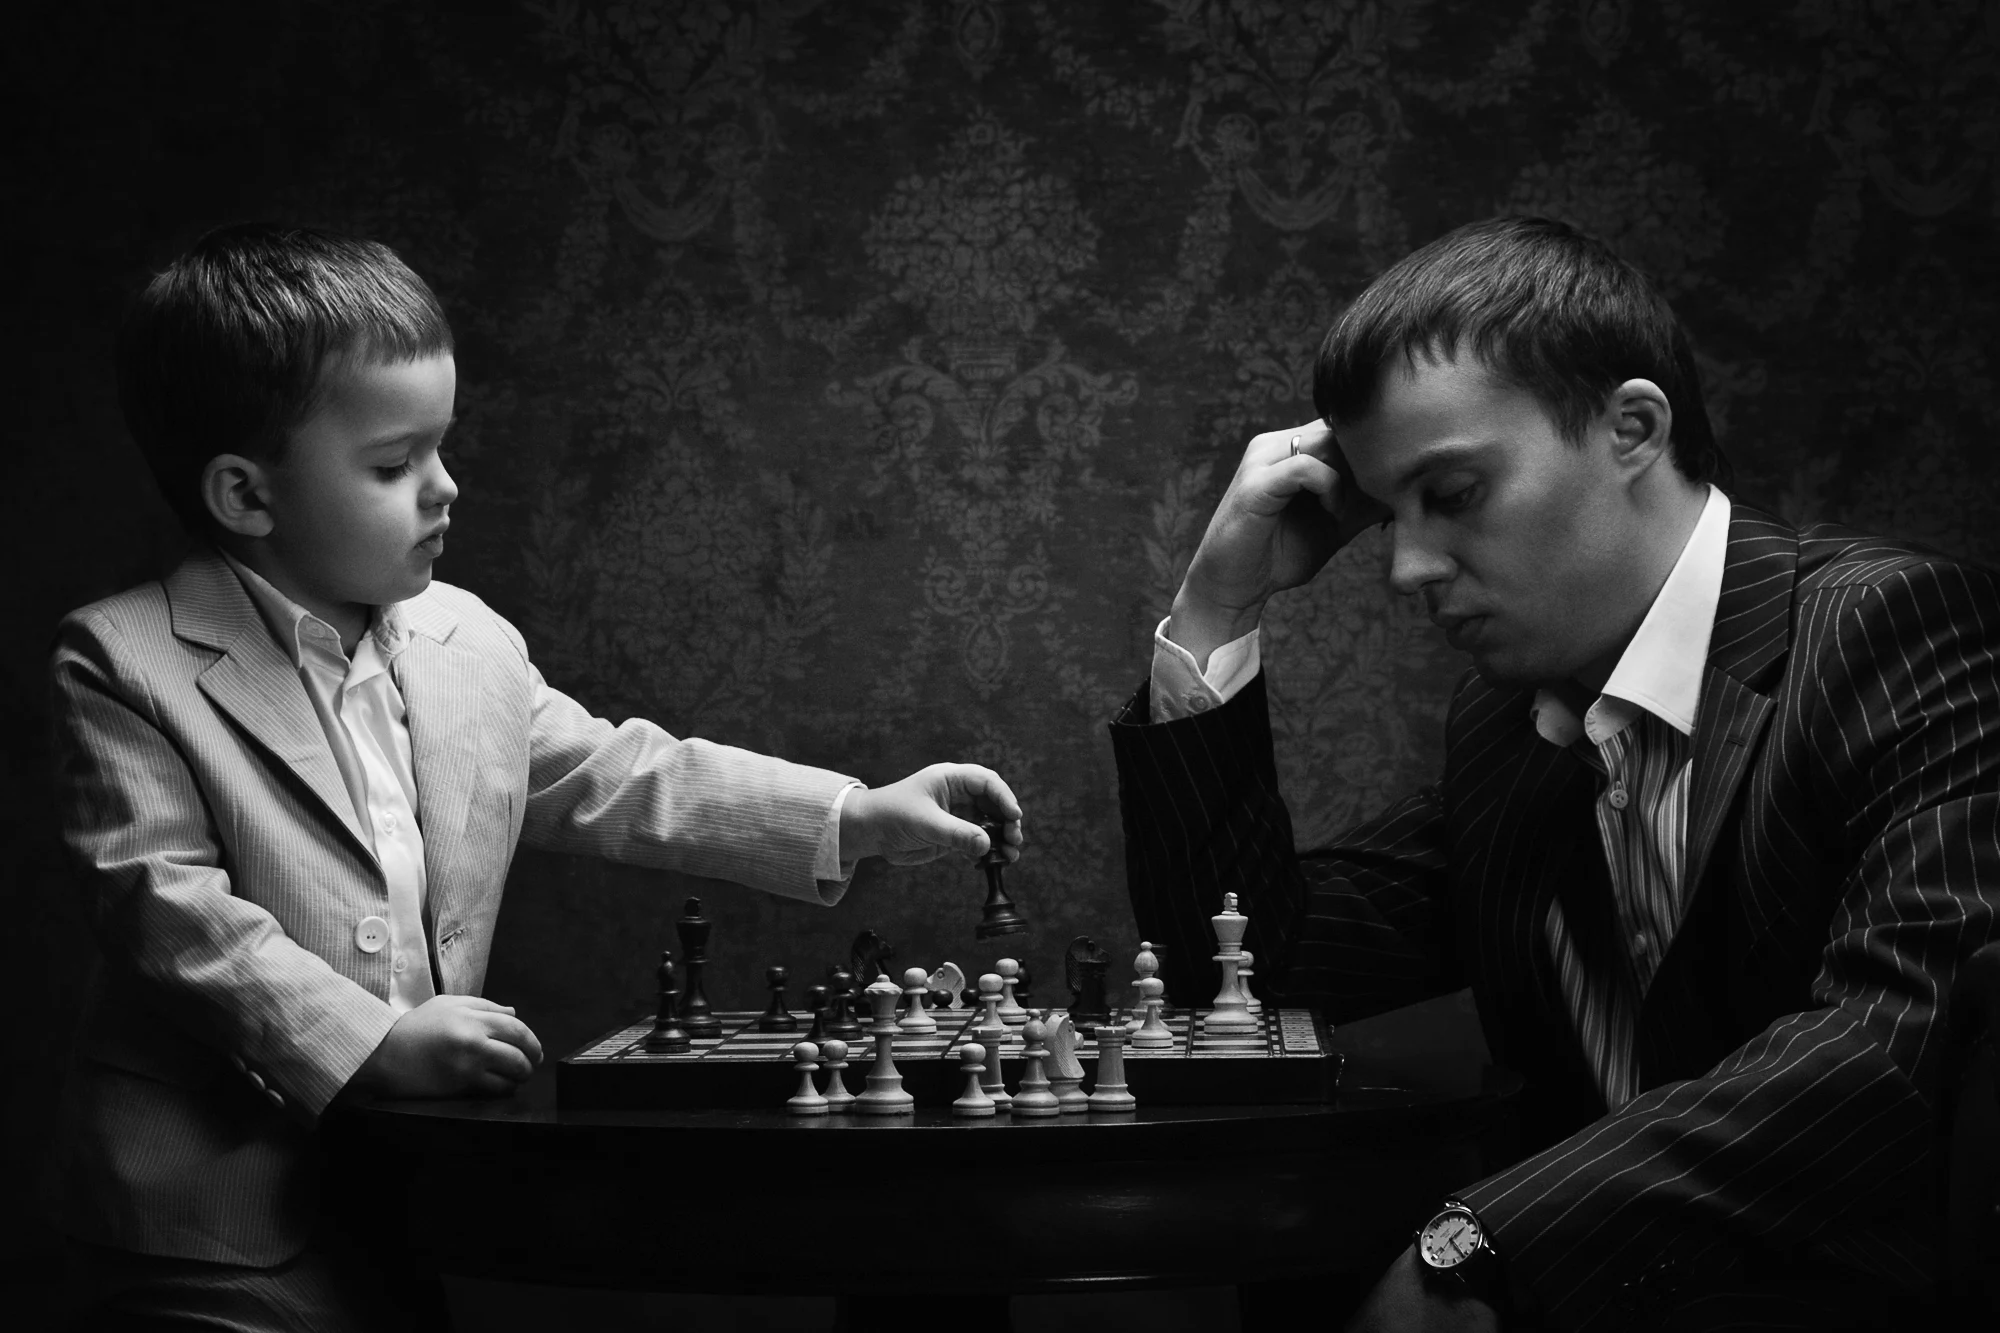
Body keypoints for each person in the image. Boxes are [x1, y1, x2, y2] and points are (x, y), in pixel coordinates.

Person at [47, 222, 1023, 1330]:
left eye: (441, 448)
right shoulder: (125, 660)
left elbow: (620, 773)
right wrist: (370, 1044)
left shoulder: (465, 638)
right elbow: (170, 913)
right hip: (199, 1218)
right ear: (244, 494)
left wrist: (856, 815)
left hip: (407, 1187)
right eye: (393, 465)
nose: (445, 487)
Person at [1110, 215, 1999, 1330]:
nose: (1406, 568)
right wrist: (1215, 606)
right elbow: (1245, 963)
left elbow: (1898, 1040)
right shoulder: (1507, 727)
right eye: (1386, 517)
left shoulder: (1898, 631)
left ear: (1632, 428)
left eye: (1453, 493)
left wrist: (1485, 1251)